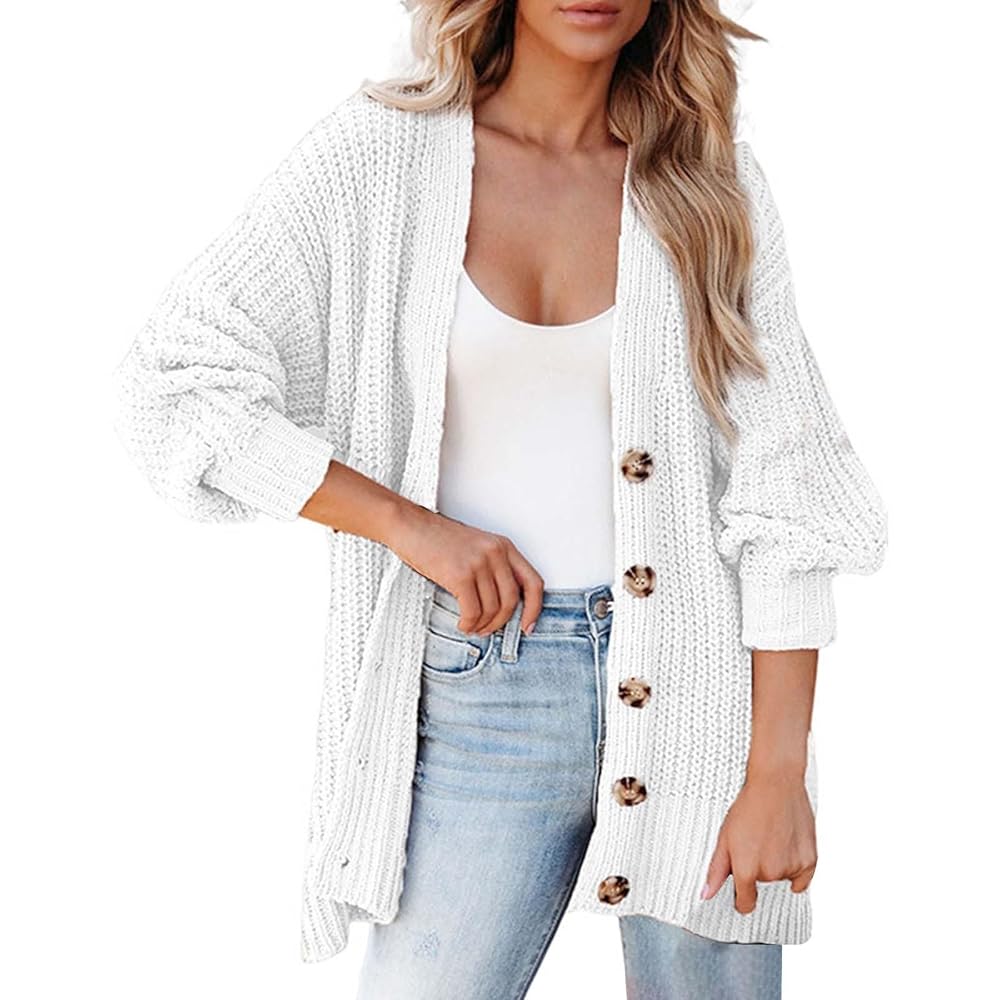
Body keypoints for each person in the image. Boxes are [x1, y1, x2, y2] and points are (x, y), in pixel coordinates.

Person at [111, 2, 888, 998]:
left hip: (704, 699)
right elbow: (175, 379)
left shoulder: (709, 183)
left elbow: (787, 490)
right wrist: (410, 527)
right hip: (481, 691)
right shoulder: (380, 158)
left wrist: (776, 771)